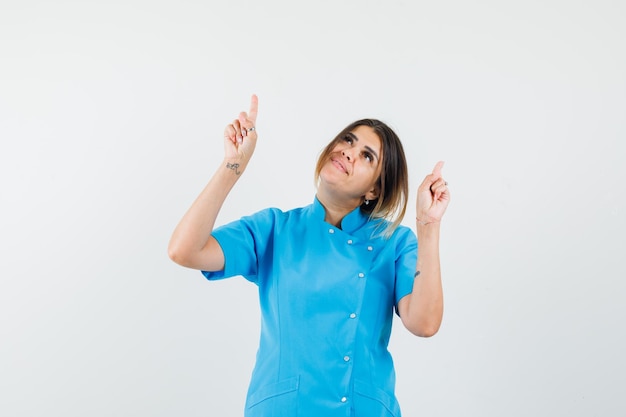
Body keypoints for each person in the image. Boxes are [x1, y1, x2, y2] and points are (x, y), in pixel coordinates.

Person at [168, 95, 450, 417]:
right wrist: (233, 165)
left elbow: (425, 323)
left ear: (374, 190)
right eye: (348, 140)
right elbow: (184, 250)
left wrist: (428, 225)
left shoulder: (393, 242)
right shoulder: (275, 229)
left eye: (366, 156)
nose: (348, 152)